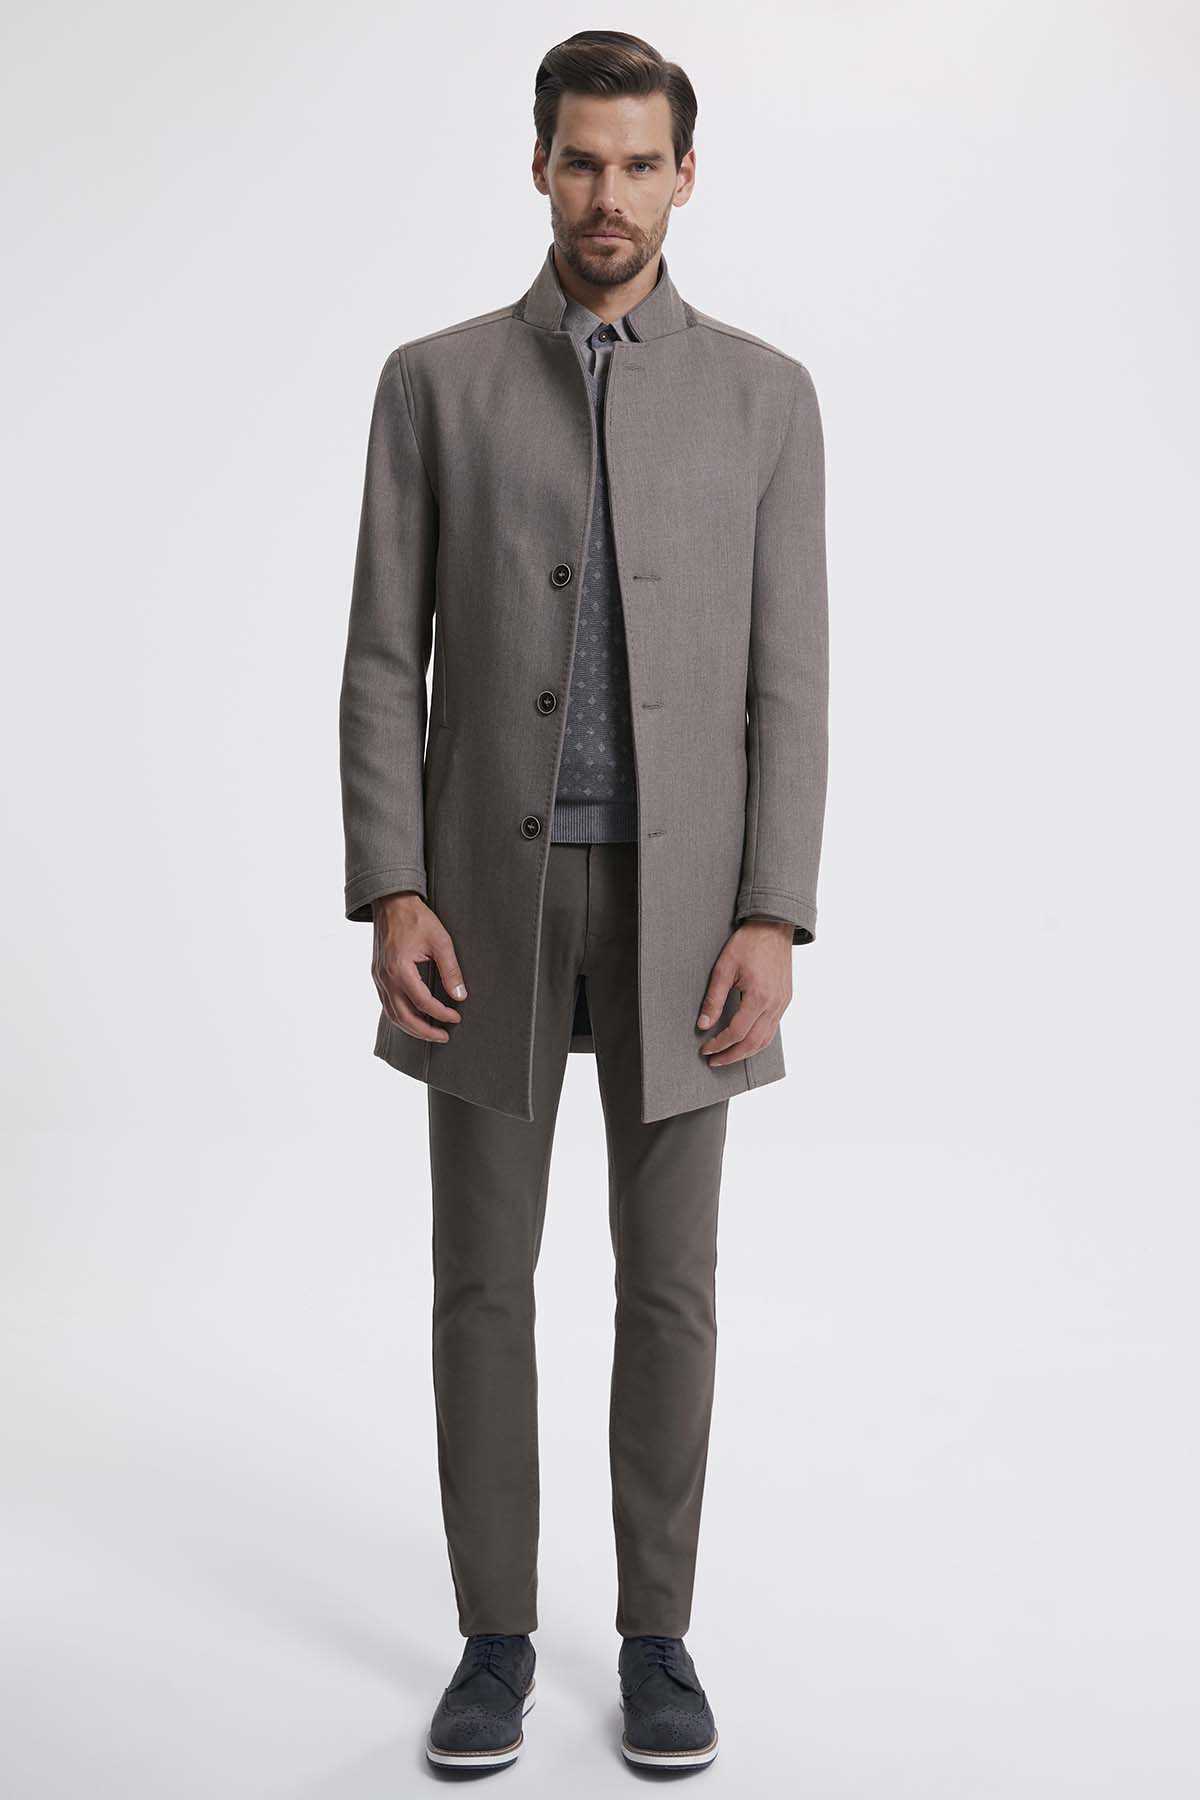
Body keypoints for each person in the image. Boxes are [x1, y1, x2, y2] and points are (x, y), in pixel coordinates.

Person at [338, 28, 829, 1774]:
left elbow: (790, 682)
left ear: (686, 176)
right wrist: (393, 885)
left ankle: (656, 1639)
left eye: (637, 163)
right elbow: (381, 658)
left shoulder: (767, 397)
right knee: (482, 1278)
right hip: (485, 898)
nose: (607, 195)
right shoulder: (437, 384)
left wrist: (773, 909)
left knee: (669, 1288)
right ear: (538, 166)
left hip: (692, 915)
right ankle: (494, 1640)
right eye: (580, 160)